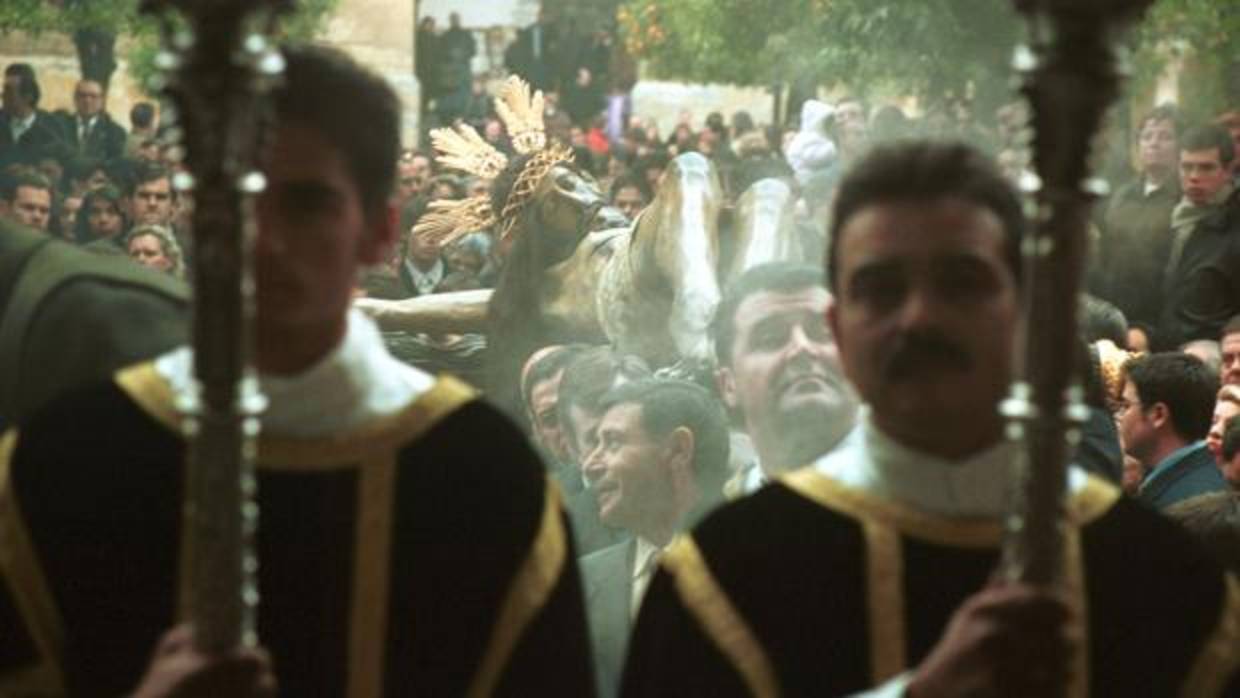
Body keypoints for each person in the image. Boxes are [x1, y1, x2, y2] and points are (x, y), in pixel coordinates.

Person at [0, 44, 594, 697]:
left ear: (379, 230)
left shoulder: (485, 482)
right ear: (189, 213)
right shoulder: (61, 465)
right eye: (234, 199)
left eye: (307, 205)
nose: (263, 240)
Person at [620, 141, 1240, 697]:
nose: (918, 319)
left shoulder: (1158, 580)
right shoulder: (725, 577)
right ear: (842, 331)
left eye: (961, 282)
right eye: (881, 289)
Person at [579, 378, 730, 698]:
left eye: (613, 442)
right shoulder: (580, 582)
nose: (590, 465)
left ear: (678, 450)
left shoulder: (772, 559)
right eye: (594, 444)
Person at [712, 262, 858, 495]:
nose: (802, 347)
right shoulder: (717, 524)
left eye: (824, 333)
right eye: (771, 338)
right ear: (728, 385)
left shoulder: (925, 490)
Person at [1094, 105, 1181, 329]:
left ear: (1180, 146)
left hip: (1159, 316)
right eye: (1147, 136)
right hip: (1115, 310)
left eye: (1165, 136)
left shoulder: (1185, 198)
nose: (1154, 143)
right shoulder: (1121, 196)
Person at [1161, 124, 1240, 349]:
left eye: (1206, 168)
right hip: (1161, 342)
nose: (1194, 177)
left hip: (1214, 351)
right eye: (1187, 167)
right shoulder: (1168, 214)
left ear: (1228, 170)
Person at [1118, 352, 1226, 509]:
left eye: (1126, 406)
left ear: (1158, 414)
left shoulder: (1189, 505)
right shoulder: (1206, 471)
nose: (1120, 417)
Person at [0, 63, 64, 170]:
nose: (2, 95)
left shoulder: (51, 126)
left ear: (27, 96)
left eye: (9, 91)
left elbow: (61, 161)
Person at [55, 79, 127, 163]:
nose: (87, 101)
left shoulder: (114, 131)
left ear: (102, 100)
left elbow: (115, 163)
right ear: (75, 98)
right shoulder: (60, 127)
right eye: (83, 95)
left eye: (93, 96)